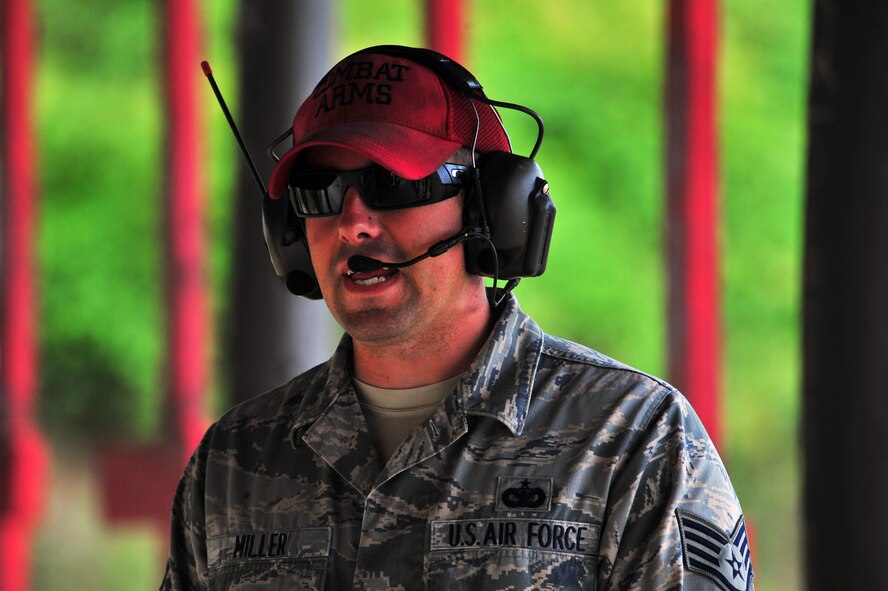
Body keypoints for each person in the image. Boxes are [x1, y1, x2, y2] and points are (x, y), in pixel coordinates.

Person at [161, 45, 754, 591]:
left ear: (487, 210)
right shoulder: (234, 462)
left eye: (391, 183)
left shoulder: (634, 439)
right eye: (320, 192)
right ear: (289, 231)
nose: (353, 223)